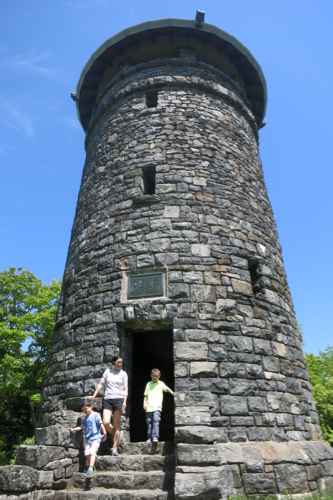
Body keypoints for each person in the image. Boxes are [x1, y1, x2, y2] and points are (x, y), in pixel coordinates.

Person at [91, 355, 128, 456]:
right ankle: (116, 435)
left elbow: (125, 389)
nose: (120, 364)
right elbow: (100, 384)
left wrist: (124, 401)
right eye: (118, 362)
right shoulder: (108, 372)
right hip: (107, 399)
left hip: (119, 399)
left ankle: (114, 447)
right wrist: (93, 396)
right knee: (106, 422)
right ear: (114, 362)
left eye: (121, 362)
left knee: (116, 424)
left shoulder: (124, 374)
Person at [69, 397, 107, 478]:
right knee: (87, 454)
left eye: (86, 409)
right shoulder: (85, 418)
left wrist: (104, 433)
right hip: (88, 439)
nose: (84, 411)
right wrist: (73, 429)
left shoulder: (96, 415)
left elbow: (101, 424)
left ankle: (90, 469)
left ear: (91, 406)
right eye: (83, 410)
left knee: (92, 452)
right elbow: (81, 427)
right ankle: (92, 467)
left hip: (96, 438)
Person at [143, 368, 174, 443]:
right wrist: (144, 403)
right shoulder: (148, 384)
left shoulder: (161, 384)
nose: (155, 377)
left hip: (157, 407)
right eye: (153, 376)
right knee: (149, 423)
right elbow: (145, 395)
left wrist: (174, 394)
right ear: (151, 376)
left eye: (156, 376)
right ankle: (149, 437)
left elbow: (167, 389)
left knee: (156, 421)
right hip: (149, 407)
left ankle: (155, 437)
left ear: (159, 376)